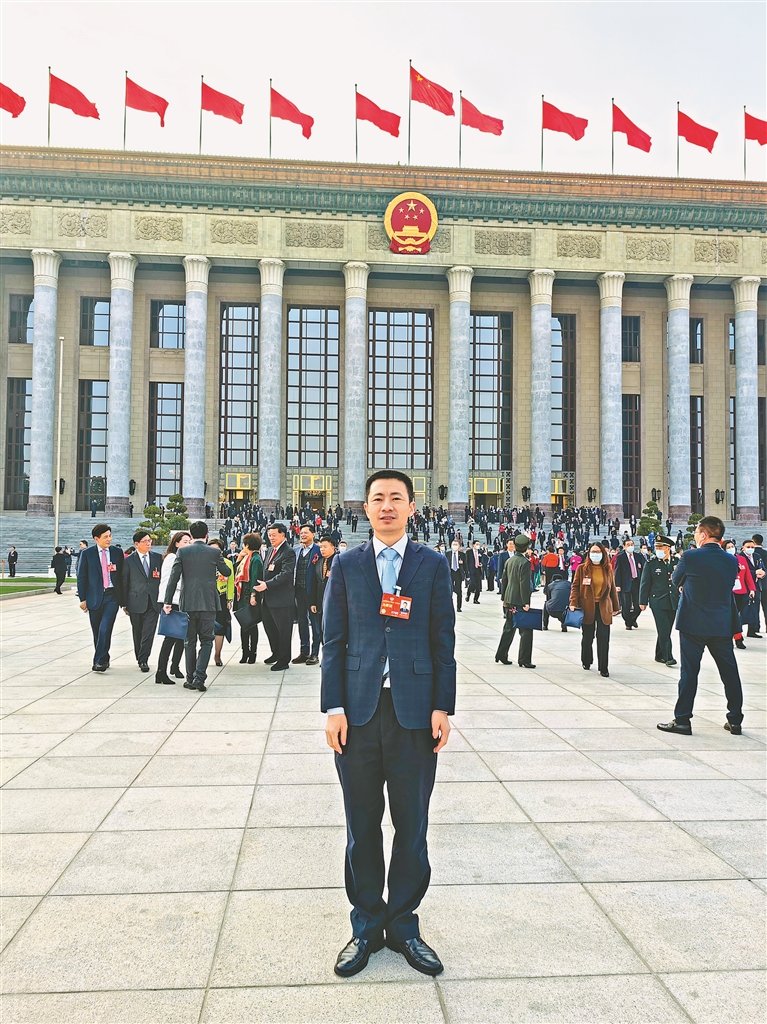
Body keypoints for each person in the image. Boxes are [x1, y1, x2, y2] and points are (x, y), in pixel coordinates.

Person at [322, 470, 455, 979]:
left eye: (396, 498)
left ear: (412, 507)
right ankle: (365, 926)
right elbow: (333, 641)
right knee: (361, 826)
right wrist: (333, 707)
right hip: (357, 714)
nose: (386, 506)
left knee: (412, 824)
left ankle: (403, 925)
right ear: (365, 508)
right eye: (378, 498)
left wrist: (442, 707)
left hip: (414, 715)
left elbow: (443, 639)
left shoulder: (432, 564)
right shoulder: (347, 565)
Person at [657, 516, 744, 736]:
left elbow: (676, 580)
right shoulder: (731, 560)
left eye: (697, 532)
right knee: (729, 672)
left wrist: (688, 584)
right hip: (721, 623)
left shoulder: (690, 556)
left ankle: (683, 720)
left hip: (693, 623)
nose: (696, 536)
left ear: (703, 535)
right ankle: (735, 719)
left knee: (689, 673)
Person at [163, 520, 231, 692]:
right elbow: (227, 572)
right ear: (207, 534)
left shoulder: (182, 552)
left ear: (191, 535)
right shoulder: (214, 552)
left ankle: (190, 677)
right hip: (209, 602)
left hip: (189, 602)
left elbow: (173, 578)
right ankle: (200, 677)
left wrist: (167, 601)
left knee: (190, 641)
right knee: (207, 640)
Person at [77, 523, 124, 672]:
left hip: (112, 596)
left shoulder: (117, 552)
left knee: (105, 628)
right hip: (94, 597)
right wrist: (82, 599)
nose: (109, 539)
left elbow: (122, 576)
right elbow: (81, 577)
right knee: (97, 631)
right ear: (96, 539)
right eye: (105, 537)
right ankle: (104, 658)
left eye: (110, 536)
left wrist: (124, 600)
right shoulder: (87, 554)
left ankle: (98, 661)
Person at [570, 542, 620, 677]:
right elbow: (575, 587)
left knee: (604, 638)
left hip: (604, 606)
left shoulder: (608, 568)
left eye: (598, 552)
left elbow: (612, 588)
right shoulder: (582, 568)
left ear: (603, 553)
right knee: (588, 636)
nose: (595, 554)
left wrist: (616, 606)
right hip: (587, 606)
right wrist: (573, 602)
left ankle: (603, 667)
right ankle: (586, 660)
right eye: (593, 552)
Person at [253, 522, 297, 672]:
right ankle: (276, 653)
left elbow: (286, 574)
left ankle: (284, 660)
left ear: (283, 535)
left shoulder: (288, 552)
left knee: (283, 630)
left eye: (274, 535)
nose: (271, 538)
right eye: (269, 535)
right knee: (270, 628)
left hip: (282, 599)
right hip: (268, 598)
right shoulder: (271, 550)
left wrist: (267, 585)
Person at [121, 530, 163, 672]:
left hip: (153, 601)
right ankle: (139, 655)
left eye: (149, 541)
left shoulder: (157, 558)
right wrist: (124, 603)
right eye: (145, 541)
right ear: (137, 544)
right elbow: (124, 582)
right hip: (135, 601)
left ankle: (144, 659)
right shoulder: (128, 561)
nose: (148, 543)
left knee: (148, 632)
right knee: (137, 631)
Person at [495, 533, 536, 667]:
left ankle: (501, 654)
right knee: (526, 631)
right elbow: (524, 584)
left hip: (509, 599)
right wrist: (526, 602)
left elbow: (505, 580)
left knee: (508, 628)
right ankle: (524, 659)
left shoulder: (509, 561)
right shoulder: (525, 562)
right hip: (519, 600)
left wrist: (504, 598)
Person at [156, 530, 191, 684]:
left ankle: (175, 666)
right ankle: (161, 672)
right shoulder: (172, 557)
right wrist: (167, 602)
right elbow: (171, 581)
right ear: (176, 543)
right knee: (170, 637)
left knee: (181, 637)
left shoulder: (181, 557)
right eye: (184, 542)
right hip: (171, 601)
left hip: (180, 600)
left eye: (189, 542)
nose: (188, 544)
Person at [639, 535, 678, 667]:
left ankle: (659, 654)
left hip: (673, 600)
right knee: (664, 629)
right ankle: (668, 657)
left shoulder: (676, 562)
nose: (658, 550)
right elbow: (645, 583)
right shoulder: (651, 563)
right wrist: (642, 601)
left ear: (668, 548)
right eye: (657, 547)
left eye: (661, 547)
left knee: (665, 630)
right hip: (658, 601)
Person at [293, 524, 321, 665]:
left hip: (313, 592)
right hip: (299, 591)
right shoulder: (296, 550)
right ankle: (304, 652)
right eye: (301, 533)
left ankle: (315, 653)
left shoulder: (318, 550)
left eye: (306, 533)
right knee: (302, 622)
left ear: (313, 534)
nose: (303, 535)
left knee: (315, 623)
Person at [234, 533, 263, 664]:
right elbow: (236, 572)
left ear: (248, 545)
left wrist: (253, 595)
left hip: (249, 595)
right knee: (244, 624)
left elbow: (255, 578)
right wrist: (239, 558)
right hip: (242, 596)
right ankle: (245, 652)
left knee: (251, 625)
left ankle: (252, 653)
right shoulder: (246, 558)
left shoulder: (255, 559)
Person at [725, 539, 756, 650]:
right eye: (728, 547)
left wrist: (752, 589)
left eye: (732, 546)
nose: (731, 549)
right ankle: (731, 638)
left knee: (736, 617)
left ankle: (738, 638)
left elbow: (748, 575)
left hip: (740, 592)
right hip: (727, 592)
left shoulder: (741, 559)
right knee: (729, 617)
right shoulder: (723, 560)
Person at [209, 538, 234, 667]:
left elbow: (231, 582)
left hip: (221, 596)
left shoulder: (227, 563)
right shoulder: (204, 562)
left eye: (217, 550)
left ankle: (217, 654)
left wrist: (229, 599)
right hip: (206, 597)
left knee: (221, 626)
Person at [309, 532, 336, 650]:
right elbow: (314, 583)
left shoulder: (339, 561)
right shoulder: (319, 562)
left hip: (335, 603)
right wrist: (313, 602)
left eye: (325, 547)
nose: (322, 549)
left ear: (333, 547)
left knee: (333, 632)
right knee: (322, 631)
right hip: (320, 602)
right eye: (321, 547)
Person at [614, 537, 647, 630]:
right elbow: (617, 572)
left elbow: (644, 567)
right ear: (624, 546)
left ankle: (632, 619)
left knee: (638, 605)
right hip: (625, 583)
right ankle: (628, 623)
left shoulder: (638, 556)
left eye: (632, 544)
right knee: (626, 605)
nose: (630, 546)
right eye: (628, 545)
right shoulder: (620, 557)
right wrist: (617, 585)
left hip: (636, 583)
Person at [742, 537, 766, 638]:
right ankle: (738, 632)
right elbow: (742, 571)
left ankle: (752, 630)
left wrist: (762, 573)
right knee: (743, 609)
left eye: (752, 547)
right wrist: (754, 572)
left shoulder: (757, 556)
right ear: (743, 548)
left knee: (755, 608)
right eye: (748, 547)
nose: (750, 549)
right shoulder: (740, 557)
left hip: (757, 585)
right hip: (745, 586)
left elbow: (762, 567)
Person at [445, 539, 467, 612]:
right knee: (449, 590)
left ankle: (459, 607)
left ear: (459, 546)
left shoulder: (462, 555)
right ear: (451, 546)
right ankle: (449, 606)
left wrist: (467, 575)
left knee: (459, 591)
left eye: (456, 545)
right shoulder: (447, 554)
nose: (455, 546)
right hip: (450, 573)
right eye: (453, 545)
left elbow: (465, 565)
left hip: (458, 573)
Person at [466, 540, 484, 604]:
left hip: (478, 570)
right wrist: (467, 570)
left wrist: (481, 564)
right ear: (473, 545)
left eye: (479, 544)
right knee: (472, 584)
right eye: (477, 544)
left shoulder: (480, 552)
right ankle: (468, 594)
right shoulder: (469, 552)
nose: (478, 545)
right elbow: (467, 561)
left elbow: (482, 560)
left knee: (478, 586)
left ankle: (476, 599)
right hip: (471, 570)